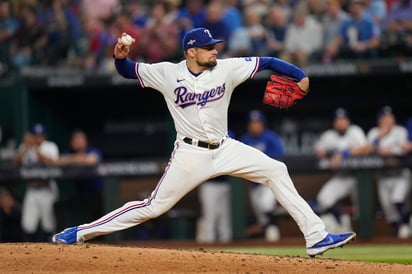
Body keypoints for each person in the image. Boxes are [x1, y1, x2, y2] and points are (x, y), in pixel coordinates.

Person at [52, 27, 356, 257]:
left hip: (225, 148)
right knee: (153, 207)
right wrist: (119, 57)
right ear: (191, 52)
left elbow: (267, 62)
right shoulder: (167, 73)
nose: (214, 51)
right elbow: (128, 71)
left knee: (276, 169)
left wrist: (299, 74)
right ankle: (80, 232)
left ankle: (315, 236)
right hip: (189, 153)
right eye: (208, 48)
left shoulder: (226, 68)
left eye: (214, 47)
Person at [310, 107, 367, 233]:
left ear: (348, 121)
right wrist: (327, 154)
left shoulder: (355, 131)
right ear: (334, 122)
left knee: (362, 209)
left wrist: (343, 154)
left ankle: (366, 237)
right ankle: (342, 219)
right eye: (338, 120)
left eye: (343, 119)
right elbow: (318, 151)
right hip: (341, 177)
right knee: (323, 199)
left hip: (359, 177)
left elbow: (366, 148)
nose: (340, 122)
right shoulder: (329, 136)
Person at [357, 106, 411, 238]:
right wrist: (379, 138)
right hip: (383, 176)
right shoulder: (374, 133)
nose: (388, 120)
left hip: (400, 174)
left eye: (390, 117)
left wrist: (391, 150)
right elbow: (365, 150)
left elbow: (406, 148)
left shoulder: (400, 131)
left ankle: (405, 224)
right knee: (388, 209)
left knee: (397, 199)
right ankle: (396, 234)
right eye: (384, 117)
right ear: (379, 120)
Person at [240, 110, 284, 242]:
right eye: (252, 123)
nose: (255, 125)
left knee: (266, 206)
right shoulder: (245, 139)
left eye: (258, 123)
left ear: (263, 124)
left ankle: (273, 231)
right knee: (260, 214)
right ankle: (268, 240)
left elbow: (279, 157)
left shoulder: (271, 138)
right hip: (254, 184)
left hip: (268, 181)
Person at [13, 124, 59, 242]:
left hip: (47, 188)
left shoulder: (50, 146)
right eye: (36, 135)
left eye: (40, 135)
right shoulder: (25, 146)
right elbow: (15, 163)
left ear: (45, 136)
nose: (38, 138)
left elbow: (52, 162)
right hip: (32, 190)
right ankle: (32, 253)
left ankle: (48, 251)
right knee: (28, 224)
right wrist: (26, 148)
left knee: (48, 224)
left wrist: (35, 149)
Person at [53, 129, 104, 233]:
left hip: (96, 196)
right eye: (76, 139)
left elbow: (91, 160)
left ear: (86, 141)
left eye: (81, 139)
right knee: (58, 205)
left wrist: (74, 159)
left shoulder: (92, 150)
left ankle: (101, 242)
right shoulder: (69, 153)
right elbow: (58, 160)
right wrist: (77, 158)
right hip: (81, 196)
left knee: (97, 218)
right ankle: (62, 234)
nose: (78, 142)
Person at [197, 129, 235, 244]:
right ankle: (208, 248)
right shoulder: (202, 132)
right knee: (210, 216)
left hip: (224, 182)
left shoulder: (228, 133)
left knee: (225, 217)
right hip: (208, 183)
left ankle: (227, 247)